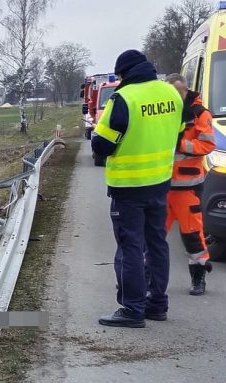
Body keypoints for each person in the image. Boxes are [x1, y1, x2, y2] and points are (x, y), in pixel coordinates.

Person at [92, 50, 183, 328]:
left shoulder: (124, 99)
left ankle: (133, 309)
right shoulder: (171, 94)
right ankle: (157, 304)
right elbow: (177, 133)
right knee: (157, 243)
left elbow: (102, 145)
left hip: (129, 187)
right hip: (160, 182)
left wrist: (99, 137)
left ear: (124, 74)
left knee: (130, 246)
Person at [165, 73, 216, 296]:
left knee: (192, 233)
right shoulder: (164, 112)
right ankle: (146, 277)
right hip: (161, 185)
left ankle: (198, 278)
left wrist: (180, 144)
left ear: (186, 91)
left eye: (179, 92)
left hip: (187, 186)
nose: (175, 97)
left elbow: (206, 145)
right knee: (152, 234)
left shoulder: (199, 115)